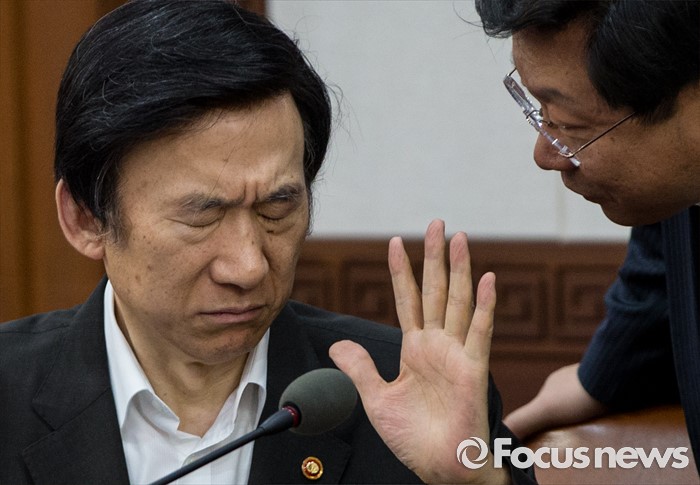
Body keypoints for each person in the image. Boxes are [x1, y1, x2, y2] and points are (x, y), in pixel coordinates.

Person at [0, 1, 535, 484]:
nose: (249, 266)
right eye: (202, 216)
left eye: (276, 209)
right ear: (85, 219)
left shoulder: (405, 393)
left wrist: (472, 481)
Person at [465, 0, 700, 476]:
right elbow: (654, 287)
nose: (545, 155)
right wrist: (592, 381)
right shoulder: (675, 195)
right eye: (540, 114)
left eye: (568, 125)